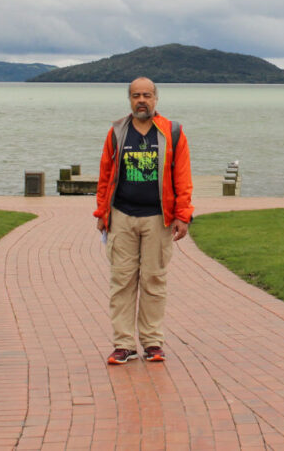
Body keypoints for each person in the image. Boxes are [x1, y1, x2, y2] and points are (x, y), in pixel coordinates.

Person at [93, 76, 194, 364]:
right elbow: (105, 176)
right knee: (122, 282)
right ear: (129, 99)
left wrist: (183, 216)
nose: (142, 100)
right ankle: (124, 344)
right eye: (136, 95)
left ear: (156, 99)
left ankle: (152, 342)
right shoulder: (116, 133)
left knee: (153, 281)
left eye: (147, 95)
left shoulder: (172, 133)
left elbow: (182, 178)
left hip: (158, 220)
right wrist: (102, 213)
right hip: (122, 217)